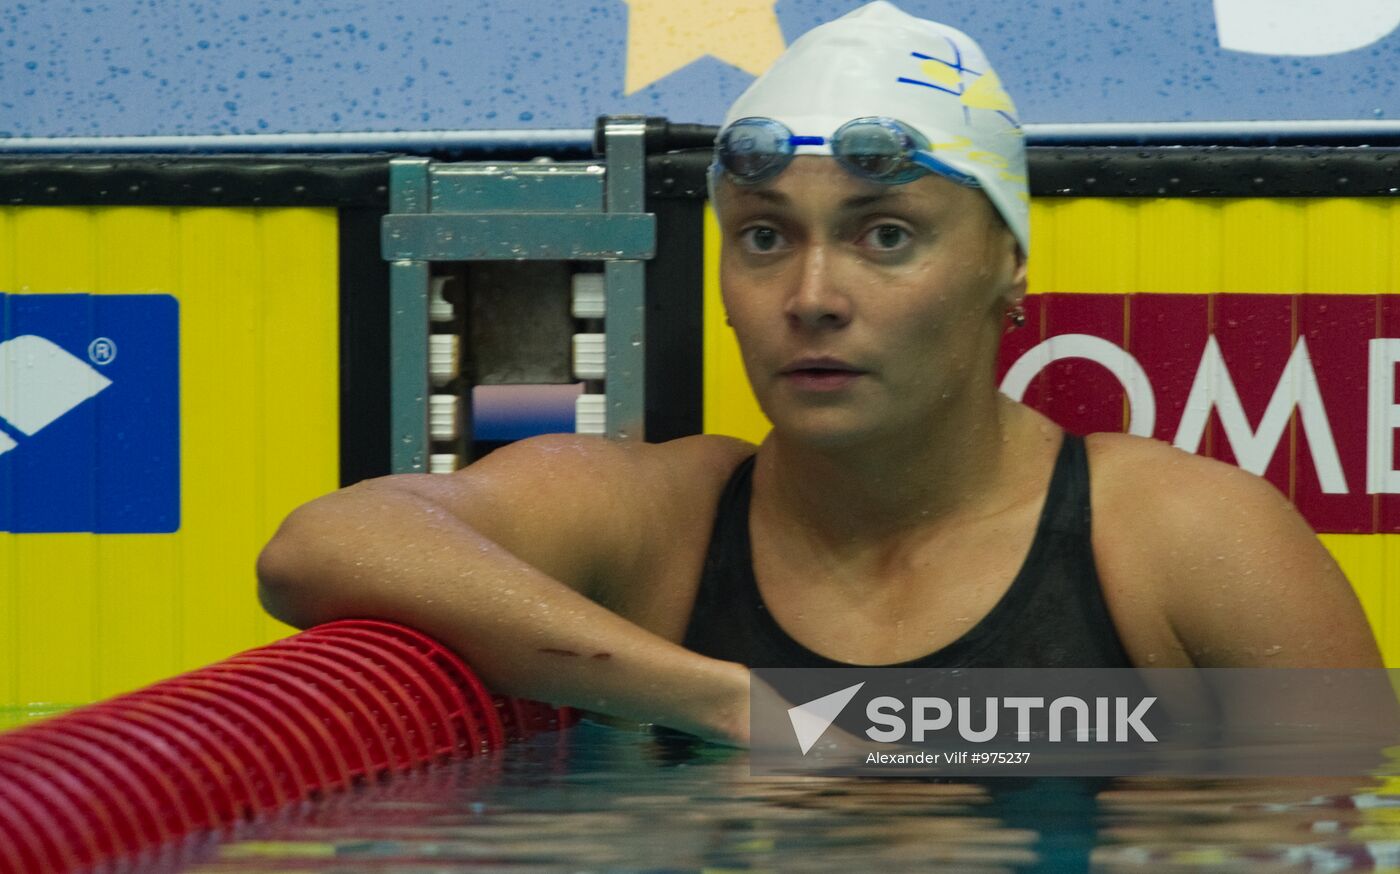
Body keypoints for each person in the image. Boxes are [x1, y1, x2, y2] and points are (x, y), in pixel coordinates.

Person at [255, 1, 1382, 747]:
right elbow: (324, 545)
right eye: (763, 236)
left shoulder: (1182, 544)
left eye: (884, 235)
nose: (811, 294)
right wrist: (738, 705)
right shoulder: (664, 521)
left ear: (1006, 264)